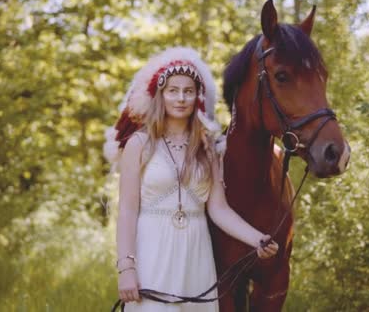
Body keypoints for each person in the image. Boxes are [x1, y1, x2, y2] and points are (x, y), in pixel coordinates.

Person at [103, 47, 279, 311]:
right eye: (173, 90)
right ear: (160, 95)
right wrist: (126, 267)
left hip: (196, 254)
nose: (181, 98)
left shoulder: (207, 148)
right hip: (152, 249)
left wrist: (257, 239)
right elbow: (127, 210)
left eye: (188, 91)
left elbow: (218, 209)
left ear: (198, 96)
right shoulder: (139, 143)